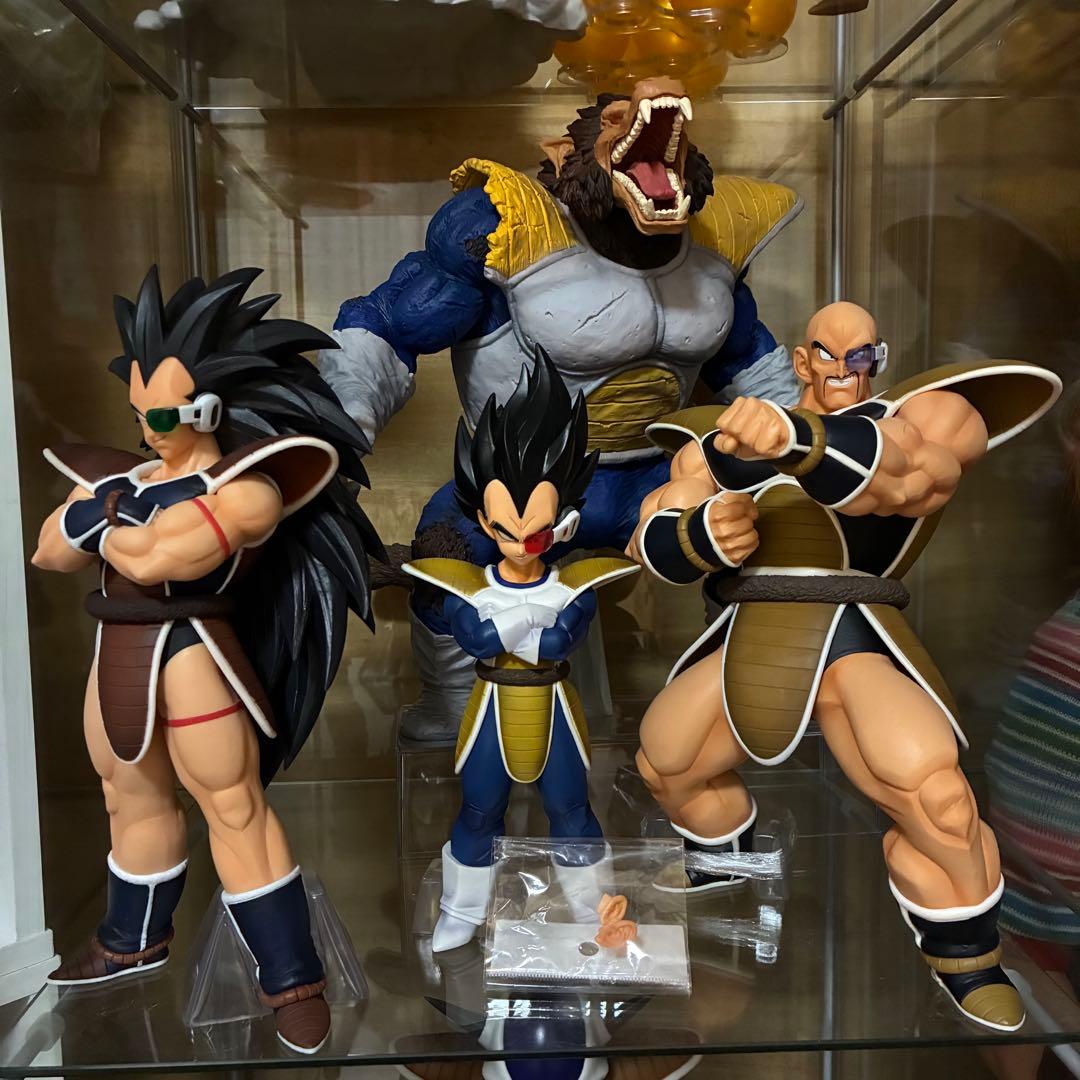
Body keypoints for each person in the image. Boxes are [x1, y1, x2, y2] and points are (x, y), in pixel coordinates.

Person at [320, 76, 803, 740]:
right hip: (519, 485)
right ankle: (454, 706)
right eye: (616, 121)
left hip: (659, 480)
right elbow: (387, 325)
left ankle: (747, 694)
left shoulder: (714, 241)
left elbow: (749, 364)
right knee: (446, 556)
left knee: (767, 539)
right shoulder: (505, 229)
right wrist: (336, 436)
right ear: (564, 152)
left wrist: (811, 447)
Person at [627, 301, 1061, 1031]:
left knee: (938, 798)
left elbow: (906, 478)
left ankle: (967, 957)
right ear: (803, 361)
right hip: (755, 627)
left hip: (856, 626)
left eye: (862, 357)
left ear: (878, 360)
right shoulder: (720, 440)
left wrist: (795, 438)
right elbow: (652, 534)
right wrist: (705, 534)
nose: (845, 371)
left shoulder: (927, 414)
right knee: (667, 766)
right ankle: (725, 862)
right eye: (829, 355)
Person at [32, 266, 383, 1053]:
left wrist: (104, 519)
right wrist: (108, 514)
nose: (148, 429)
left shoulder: (246, 488)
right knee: (126, 796)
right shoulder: (126, 476)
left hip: (193, 654)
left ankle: (291, 977)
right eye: (138, 410)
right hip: (116, 650)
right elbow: (49, 550)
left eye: (162, 413)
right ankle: (132, 940)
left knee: (232, 805)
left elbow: (160, 557)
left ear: (210, 407)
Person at [403, 350, 638, 951]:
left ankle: (593, 911)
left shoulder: (575, 582)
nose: (520, 542)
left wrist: (519, 624)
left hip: (555, 708)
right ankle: (461, 910)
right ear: (484, 522)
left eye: (535, 532)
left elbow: (559, 641)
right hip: (490, 709)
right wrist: (530, 618)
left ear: (563, 520)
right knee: (479, 811)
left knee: (572, 810)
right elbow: (477, 639)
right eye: (506, 530)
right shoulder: (468, 584)